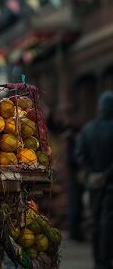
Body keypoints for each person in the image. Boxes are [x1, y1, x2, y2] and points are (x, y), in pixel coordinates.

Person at [76, 91, 113, 269]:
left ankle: (98, 261)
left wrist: (92, 173)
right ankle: (105, 261)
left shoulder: (88, 128)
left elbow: (80, 155)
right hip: (110, 182)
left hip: (93, 183)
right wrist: (106, 174)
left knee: (96, 221)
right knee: (108, 222)